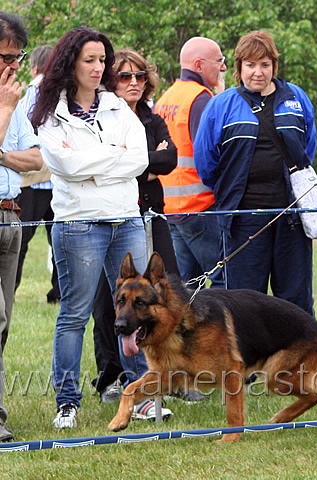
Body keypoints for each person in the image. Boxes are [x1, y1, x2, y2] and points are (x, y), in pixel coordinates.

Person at [31, 27, 170, 428]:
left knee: (139, 309)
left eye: (102, 60)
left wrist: (97, 165)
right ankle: (67, 403)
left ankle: (139, 394)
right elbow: (67, 167)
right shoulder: (49, 111)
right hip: (78, 225)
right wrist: (113, 160)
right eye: (89, 60)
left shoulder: (117, 106)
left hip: (126, 219)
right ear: (69, 62)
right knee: (74, 314)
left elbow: (140, 159)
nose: (98, 68)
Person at [194, 31, 317, 316]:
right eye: (250, 65)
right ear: (238, 68)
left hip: (291, 219)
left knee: (295, 302)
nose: (258, 72)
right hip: (243, 221)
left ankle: (298, 360)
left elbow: (308, 150)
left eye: (264, 64)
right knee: (244, 305)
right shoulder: (220, 106)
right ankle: (250, 361)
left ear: (274, 65)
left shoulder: (296, 98)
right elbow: (206, 164)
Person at [90, 49, 180, 404]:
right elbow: (105, 165)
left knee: (166, 294)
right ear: (111, 80)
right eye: (125, 77)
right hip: (112, 218)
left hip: (153, 217)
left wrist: (131, 161)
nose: (134, 83)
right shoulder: (100, 117)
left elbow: (169, 159)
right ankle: (111, 377)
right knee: (108, 303)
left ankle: (168, 376)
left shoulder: (152, 118)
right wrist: (142, 163)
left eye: (140, 77)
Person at [0, 12, 43, 442]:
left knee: (6, 322)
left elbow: (37, 160)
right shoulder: (10, 102)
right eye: (7, 57)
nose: (14, 66)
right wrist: (7, 109)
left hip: (12, 216)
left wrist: (5, 156)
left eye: (19, 57)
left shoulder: (15, 101)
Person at [154, 37, 225, 287]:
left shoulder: (165, 99)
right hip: (201, 208)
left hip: (172, 209)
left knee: (185, 289)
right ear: (198, 64)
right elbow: (212, 154)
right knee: (223, 282)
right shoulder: (201, 98)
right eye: (219, 61)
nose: (223, 67)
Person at [15, 45, 59, 304]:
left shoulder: (34, 89)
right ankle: (58, 293)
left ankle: (9, 291)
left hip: (33, 180)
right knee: (59, 243)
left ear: (34, 67)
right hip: (54, 179)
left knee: (20, 243)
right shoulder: (57, 89)